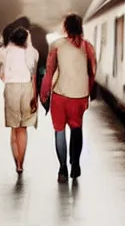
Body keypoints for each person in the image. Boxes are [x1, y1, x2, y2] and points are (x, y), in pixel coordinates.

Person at [40, 13, 97, 183]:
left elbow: (49, 72)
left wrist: (44, 94)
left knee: (59, 131)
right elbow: (92, 72)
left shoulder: (57, 45)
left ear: (65, 28)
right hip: (79, 96)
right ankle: (76, 164)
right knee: (77, 129)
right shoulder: (88, 47)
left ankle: (63, 168)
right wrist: (87, 91)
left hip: (60, 96)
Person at [0, 26, 39, 174]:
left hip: (11, 89)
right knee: (23, 129)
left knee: (14, 129)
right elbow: (34, 77)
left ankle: (17, 164)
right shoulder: (33, 53)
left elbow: (2, 74)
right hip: (27, 88)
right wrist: (35, 96)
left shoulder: (3, 52)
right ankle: (22, 161)